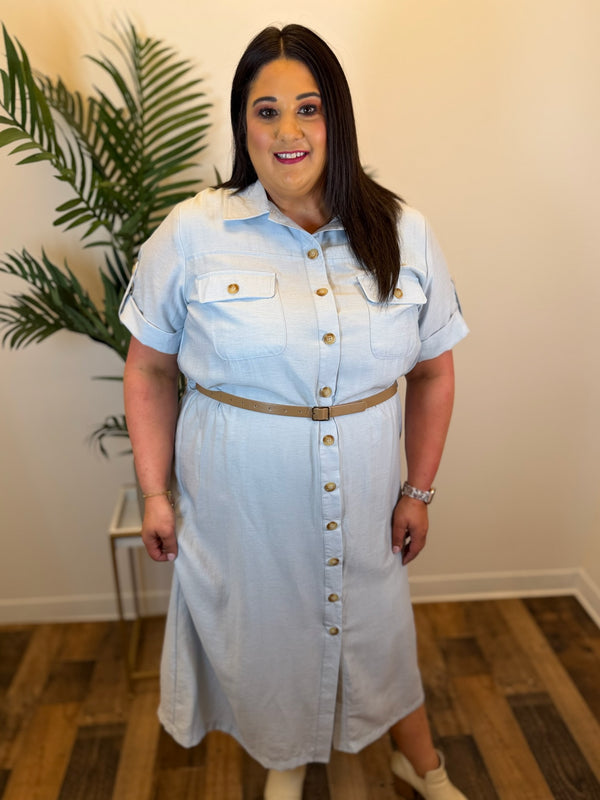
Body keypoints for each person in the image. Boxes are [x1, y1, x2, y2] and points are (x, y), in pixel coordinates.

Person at [120, 23, 469, 800]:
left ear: (336, 120)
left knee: (375, 631)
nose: (287, 131)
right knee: (267, 637)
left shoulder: (403, 231)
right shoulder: (194, 234)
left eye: (308, 109)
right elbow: (147, 366)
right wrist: (153, 490)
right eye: (265, 110)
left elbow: (435, 370)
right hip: (242, 503)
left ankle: (422, 759)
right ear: (243, 125)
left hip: (367, 494)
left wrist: (419, 488)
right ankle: (285, 756)